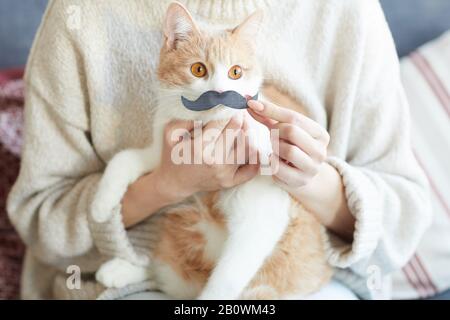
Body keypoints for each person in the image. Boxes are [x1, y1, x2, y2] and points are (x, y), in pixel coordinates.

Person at [7, 0, 430, 300]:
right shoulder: (79, 14)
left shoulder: (347, 11)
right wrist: (166, 186)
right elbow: (43, 223)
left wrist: (311, 179)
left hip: (296, 279)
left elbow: (401, 229)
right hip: (139, 280)